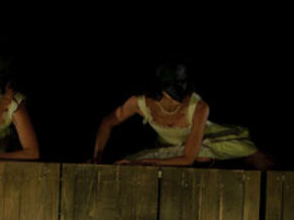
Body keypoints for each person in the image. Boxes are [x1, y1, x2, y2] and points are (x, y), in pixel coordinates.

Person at [91, 62, 272, 169]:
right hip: (171, 146)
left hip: (209, 139)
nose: (179, 96)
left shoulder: (198, 106)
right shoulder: (139, 103)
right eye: (172, 91)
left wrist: (145, 163)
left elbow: (187, 158)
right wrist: (98, 155)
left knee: (252, 154)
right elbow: (107, 123)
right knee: (127, 163)